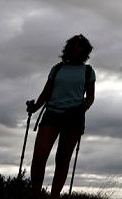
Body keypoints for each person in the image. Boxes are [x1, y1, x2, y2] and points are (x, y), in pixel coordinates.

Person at [27, 34, 96, 199]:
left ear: (85, 52)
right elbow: (46, 93)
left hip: (74, 117)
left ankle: (55, 196)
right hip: (52, 113)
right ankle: (36, 194)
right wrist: (34, 107)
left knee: (63, 159)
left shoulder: (88, 71)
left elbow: (90, 98)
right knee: (39, 156)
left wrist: (81, 109)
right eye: (75, 46)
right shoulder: (57, 68)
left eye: (80, 47)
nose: (77, 50)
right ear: (69, 49)